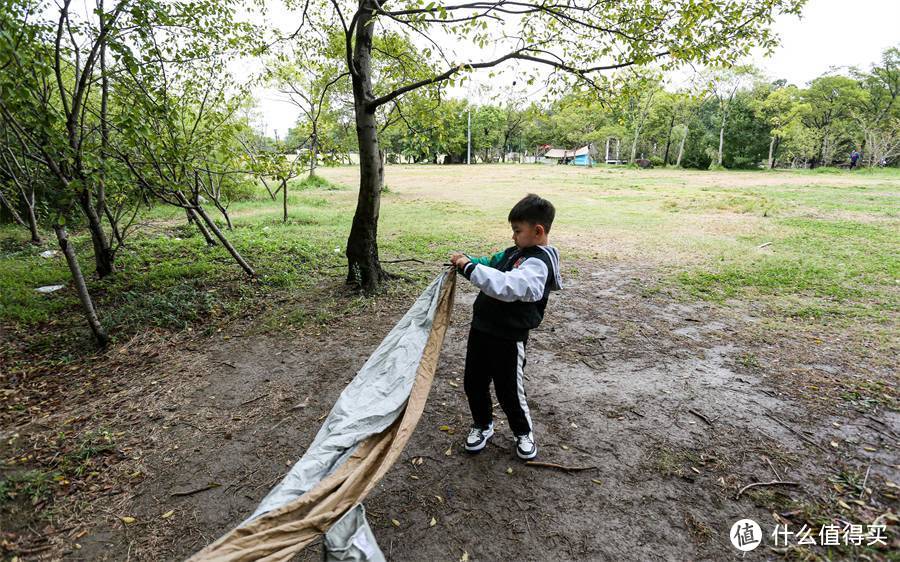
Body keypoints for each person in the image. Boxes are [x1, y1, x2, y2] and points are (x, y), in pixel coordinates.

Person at [450, 194, 562, 460]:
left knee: (509, 389)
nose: (513, 237)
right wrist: (470, 260)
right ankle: (482, 425)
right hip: (481, 330)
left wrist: (470, 269)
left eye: (517, 231)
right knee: (473, 382)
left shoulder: (537, 264)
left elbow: (509, 286)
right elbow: (492, 262)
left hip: (508, 338)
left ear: (538, 231)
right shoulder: (515, 252)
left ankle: (523, 432)